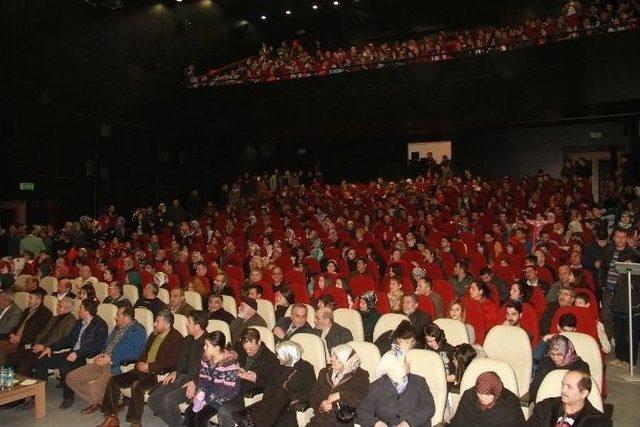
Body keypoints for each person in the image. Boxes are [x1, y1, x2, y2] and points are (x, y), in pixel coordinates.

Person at [97, 309, 183, 427]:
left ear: (167, 324)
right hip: (141, 369)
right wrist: (139, 363)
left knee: (136, 385)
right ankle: (112, 417)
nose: (154, 324)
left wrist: (149, 366)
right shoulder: (154, 334)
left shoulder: (177, 338)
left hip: (156, 374)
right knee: (114, 381)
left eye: (157, 322)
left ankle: (135, 421)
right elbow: (144, 351)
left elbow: (173, 361)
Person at [66, 305, 147, 414]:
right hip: (102, 361)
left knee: (94, 389)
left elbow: (135, 353)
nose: (115, 317)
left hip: (116, 365)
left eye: (118, 315)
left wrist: (111, 358)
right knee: (71, 378)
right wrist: (101, 353)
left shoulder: (138, 330)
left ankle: (101, 400)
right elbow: (106, 345)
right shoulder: (118, 327)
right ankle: (102, 401)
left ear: (126, 318)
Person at [32, 299, 108, 408]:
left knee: (64, 368)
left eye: (80, 308)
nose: (78, 310)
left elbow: (96, 346)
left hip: (85, 357)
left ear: (87, 311)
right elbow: (68, 339)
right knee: (42, 359)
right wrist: (50, 348)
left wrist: (78, 353)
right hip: (72, 353)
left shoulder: (100, 324)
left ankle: (68, 398)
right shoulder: (79, 322)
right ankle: (38, 393)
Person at [235, 340, 316, 427]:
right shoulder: (279, 366)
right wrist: (255, 377)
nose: (277, 357)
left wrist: (294, 398)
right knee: (244, 417)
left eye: (279, 355)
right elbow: (269, 382)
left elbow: (312, 392)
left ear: (288, 355)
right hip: (271, 405)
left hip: (290, 408)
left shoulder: (306, 368)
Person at [147, 310, 208, 426]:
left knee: (169, 400)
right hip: (181, 377)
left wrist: (195, 382)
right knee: (153, 400)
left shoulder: (208, 344)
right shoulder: (187, 339)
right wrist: (175, 371)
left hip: (197, 382)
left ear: (197, 326)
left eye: (188, 322)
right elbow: (181, 361)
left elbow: (209, 371)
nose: (186, 324)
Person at [358, 346, 435, 427]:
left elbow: (428, 407)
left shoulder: (419, 382)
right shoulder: (376, 386)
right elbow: (363, 410)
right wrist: (376, 423)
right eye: (404, 361)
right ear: (394, 367)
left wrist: (408, 423)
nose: (408, 363)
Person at [217, 327, 279, 427]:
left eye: (251, 348)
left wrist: (256, 378)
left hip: (248, 396)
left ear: (259, 342)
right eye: (246, 348)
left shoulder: (270, 359)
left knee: (224, 411)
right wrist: (232, 361)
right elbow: (234, 351)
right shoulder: (240, 347)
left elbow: (274, 385)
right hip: (232, 389)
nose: (248, 351)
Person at [181, 330, 241, 427]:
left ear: (217, 348)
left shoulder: (231, 365)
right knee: (189, 413)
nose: (204, 347)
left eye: (207, 346)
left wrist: (206, 400)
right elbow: (203, 378)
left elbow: (227, 390)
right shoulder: (207, 359)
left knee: (200, 417)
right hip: (208, 394)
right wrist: (201, 392)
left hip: (224, 398)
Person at [7, 297, 76, 378]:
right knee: (11, 359)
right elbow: (42, 332)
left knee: (24, 364)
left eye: (60, 306)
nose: (57, 307)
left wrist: (44, 346)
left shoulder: (71, 321)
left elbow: (61, 339)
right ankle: (12, 384)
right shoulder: (54, 318)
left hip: (50, 349)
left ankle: (31, 388)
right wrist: (36, 343)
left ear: (67, 309)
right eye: (58, 305)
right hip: (38, 346)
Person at [308, 343, 370, 427]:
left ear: (345, 361)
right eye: (332, 355)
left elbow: (361, 397)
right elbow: (314, 394)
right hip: (320, 419)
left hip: (342, 421)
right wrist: (321, 405)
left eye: (336, 357)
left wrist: (339, 396)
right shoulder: (324, 372)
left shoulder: (360, 375)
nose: (331, 359)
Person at [527, 370, 611, 427]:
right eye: (563, 384)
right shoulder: (545, 407)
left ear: (583, 393)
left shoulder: (598, 422)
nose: (563, 390)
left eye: (569, 387)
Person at [450, 371, 525, 427]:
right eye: (479, 393)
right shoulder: (469, 396)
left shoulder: (510, 403)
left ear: (496, 391)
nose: (483, 398)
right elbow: (457, 423)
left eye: (488, 395)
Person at [529, 335, 590, 403]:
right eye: (552, 354)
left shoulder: (581, 366)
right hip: (545, 405)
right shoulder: (545, 362)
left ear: (568, 352)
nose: (555, 358)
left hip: (571, 404)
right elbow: (534, 389)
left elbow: (582, 393)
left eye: (560, 354)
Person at [0, 288, 51, 364]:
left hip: (25, 343)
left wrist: (19, 339)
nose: (28, 300)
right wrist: (11, 334)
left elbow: (37, 332)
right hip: (14, 339)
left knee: (2, 350)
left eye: (30, 298)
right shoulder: (27, 310)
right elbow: (17, 326)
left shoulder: (45, 313)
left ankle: (4, 374)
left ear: (38, 300)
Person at [608, 252, 640, 369]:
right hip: (618, 311)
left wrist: (635, 307)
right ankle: (619, 357)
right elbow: (616, 293)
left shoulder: (637, 280)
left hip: (632, 314)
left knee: (631, 337)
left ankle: (630, 361)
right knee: (619, 336)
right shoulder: (620, 278)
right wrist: (613, 305)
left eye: (630, 263)